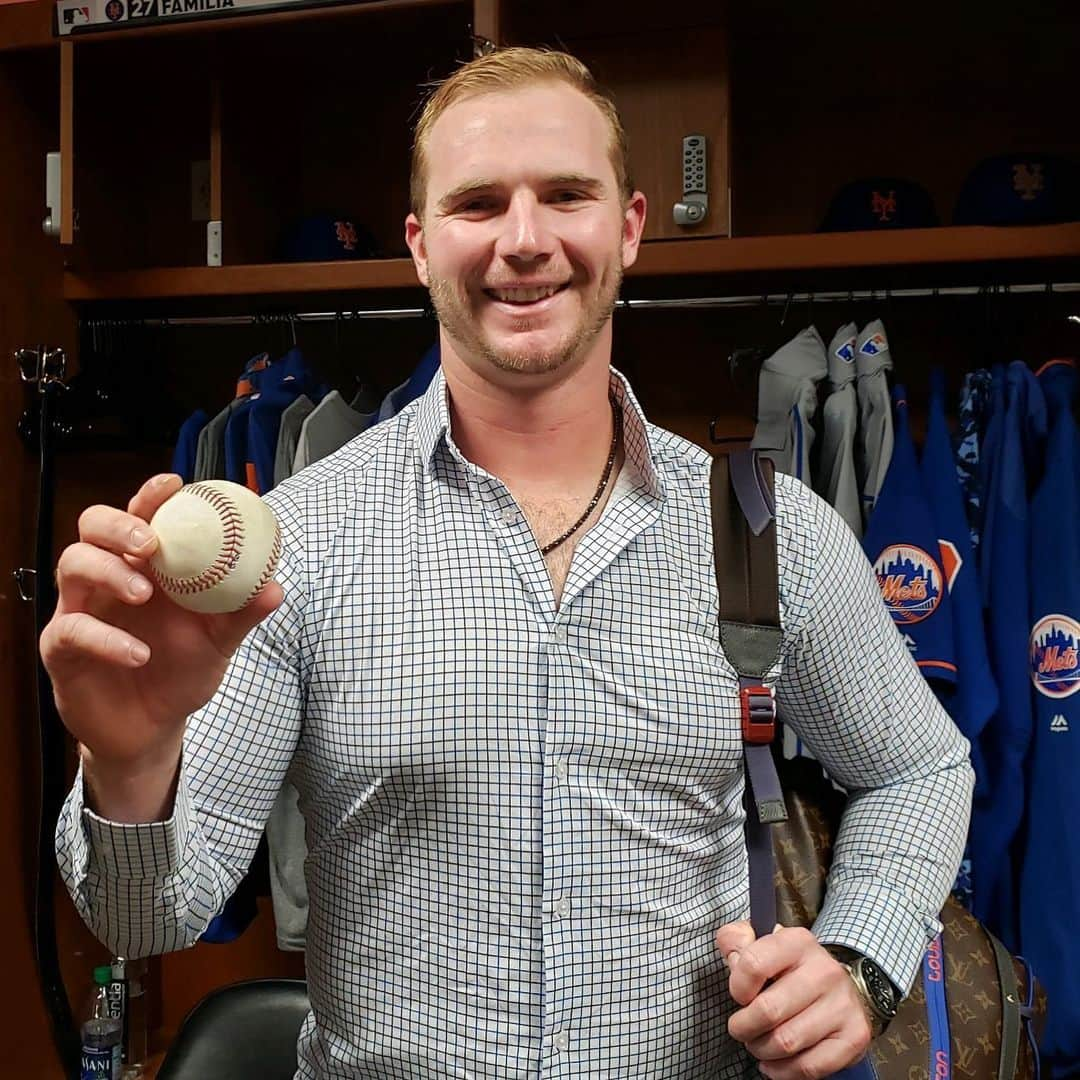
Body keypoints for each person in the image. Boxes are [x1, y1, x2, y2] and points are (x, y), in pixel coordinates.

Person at [46, 47, 973, 1080]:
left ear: (627, 225)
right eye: (478, 203)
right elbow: (148, 918)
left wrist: (860, 963)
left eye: (565, 196)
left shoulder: (767, 531)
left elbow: (920, 769)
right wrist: (128, 766)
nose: (524, 241)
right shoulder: (299, 543)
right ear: (420, 245)